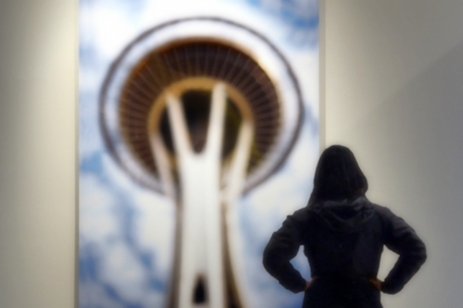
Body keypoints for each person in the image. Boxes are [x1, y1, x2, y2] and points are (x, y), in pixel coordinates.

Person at [262, 145, 427, 308]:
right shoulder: (379, 216)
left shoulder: (306, 218)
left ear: (320, 178)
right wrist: (390, 285)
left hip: (321, 300)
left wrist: (299, 284)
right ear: (356, 174)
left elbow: (272, 255)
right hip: (365, 300)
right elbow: (416, 249)